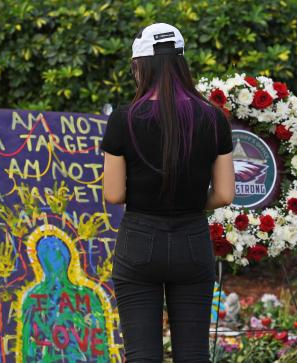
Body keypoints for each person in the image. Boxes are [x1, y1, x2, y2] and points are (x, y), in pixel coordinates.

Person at [100, 22, 235, 363]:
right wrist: (194, 203)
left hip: (139, 241)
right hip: (192, 239)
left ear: (140, 66)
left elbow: (114, 194)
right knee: (193, 353)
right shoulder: (212, 119)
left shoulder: (123, 119)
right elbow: (225, 194)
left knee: (142, 355)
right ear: (181, 63)